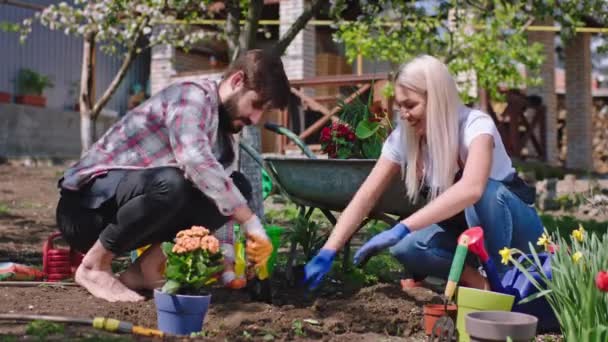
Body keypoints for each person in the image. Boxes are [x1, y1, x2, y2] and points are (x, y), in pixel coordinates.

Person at [56, 49, 290, 302]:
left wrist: (228, 268)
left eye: (263, 113)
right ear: (237, 81)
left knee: (237, 186)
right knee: (173, 183)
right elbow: (193, 158)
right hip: (85, 210)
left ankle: (143, 272)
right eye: (256, 105)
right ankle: (93, 267)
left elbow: (222, 198)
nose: (255, 118)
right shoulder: (191, 96)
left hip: (127, 214)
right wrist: (250, 221)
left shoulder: (224, 136)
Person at [304, 55, 543, 290]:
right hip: (466, 237)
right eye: (400, 107)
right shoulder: (405, 138)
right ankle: (480, 284)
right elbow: (366, 195)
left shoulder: (475, 126)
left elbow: (472, 188)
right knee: (405, 247)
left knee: (486, 193)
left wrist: (403, 226)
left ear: (437, 98)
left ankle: (504, 282)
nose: (404, 115)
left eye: (411, 105)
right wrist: (329, 250)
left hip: (517, 235)